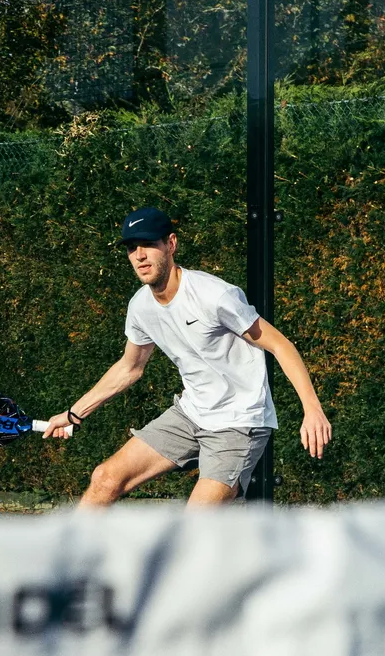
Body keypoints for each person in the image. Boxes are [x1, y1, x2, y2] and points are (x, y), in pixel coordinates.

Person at [44, 206, 331, 506]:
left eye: (148, 245)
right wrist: (72, 414)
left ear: (170, 244)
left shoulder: (214, 296)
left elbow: (280, 344)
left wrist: (312, 409)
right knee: (104, 478)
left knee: (196, 521)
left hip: (239, 421)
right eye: (132, 248)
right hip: (191, 414)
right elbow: (129, 368)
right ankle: (74, 555)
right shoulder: (140, 307)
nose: (140, 255)